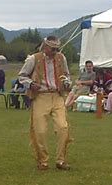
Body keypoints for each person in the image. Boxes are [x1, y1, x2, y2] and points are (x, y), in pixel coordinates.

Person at [18, 36, 72, 171]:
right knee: (40, 130)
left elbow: (67, 75)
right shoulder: (33, 59)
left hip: (57, 95)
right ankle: (43, 161)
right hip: (40, 96)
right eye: (53, 49)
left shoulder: (61, 58)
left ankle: (61, 160)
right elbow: (21, 76)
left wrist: (67, 82)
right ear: (45, 47)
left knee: (62, 127)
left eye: (57, 49)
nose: (55, 51)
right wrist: (30, 84)